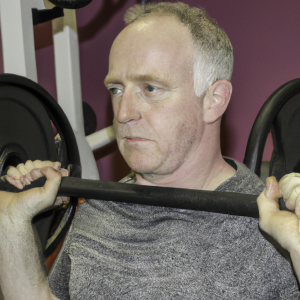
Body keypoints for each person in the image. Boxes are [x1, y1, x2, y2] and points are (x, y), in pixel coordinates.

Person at [1, 2, 300, 299]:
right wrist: (11, 223)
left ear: (214, 99)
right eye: (116, 90)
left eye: (150, 88)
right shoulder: (99, 209)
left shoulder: (270, 233)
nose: (123, 114)